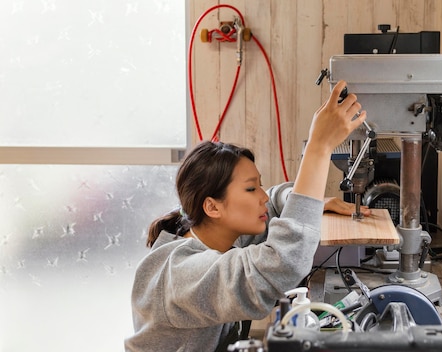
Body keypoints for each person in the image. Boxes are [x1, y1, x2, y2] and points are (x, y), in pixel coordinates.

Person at [124, 80, 368, 352]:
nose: (262, 195)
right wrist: (319, 148)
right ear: (212, 207)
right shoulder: (182, 275)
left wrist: (309, 201)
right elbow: (282, 263)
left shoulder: (220, 237)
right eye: (251, 188)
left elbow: (274, 198)